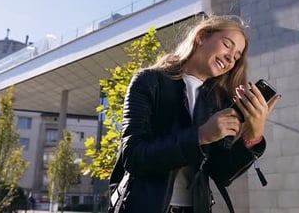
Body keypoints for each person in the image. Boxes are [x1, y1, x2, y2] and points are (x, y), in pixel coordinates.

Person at [108, 14, 281, 213]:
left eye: (236, 56)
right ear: (201, 36)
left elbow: (222, 173)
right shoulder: (149, 81)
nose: (230, 58)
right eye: (227, 45)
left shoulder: (219, 102)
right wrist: (200, 136)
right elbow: (134, 156)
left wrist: (253, 135)